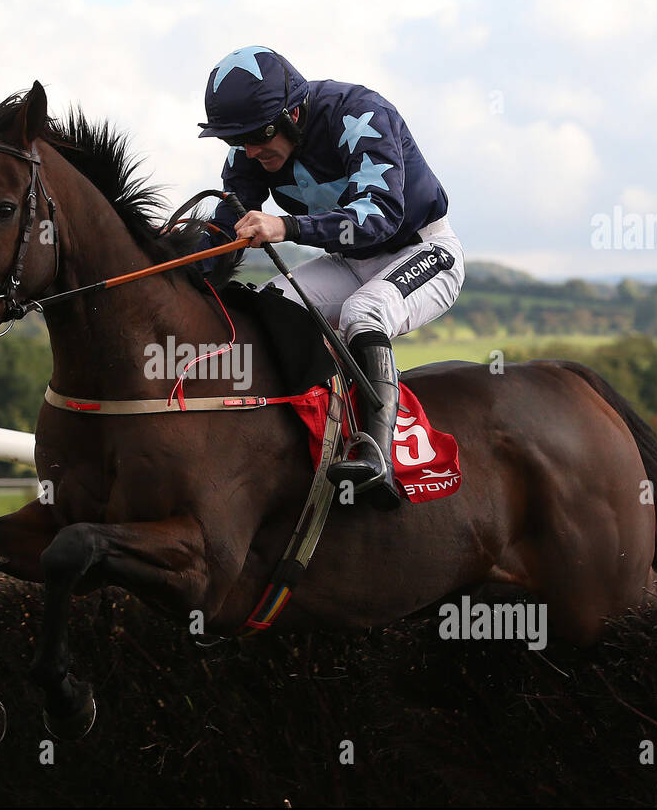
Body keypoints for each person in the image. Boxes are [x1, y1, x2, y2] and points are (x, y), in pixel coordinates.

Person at [194, 45, 465, 510]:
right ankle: (306, 434)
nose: (251, 150)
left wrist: (287, 226)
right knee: (272, 303)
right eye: (236, 140)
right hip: (347, 261)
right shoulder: (249, 152)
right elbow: (224, 230)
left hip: (423, 250)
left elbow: (378, 215)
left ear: (294, 112)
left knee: (365, 310)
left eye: (259, 135)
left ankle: (375, 454)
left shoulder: (361, 113)